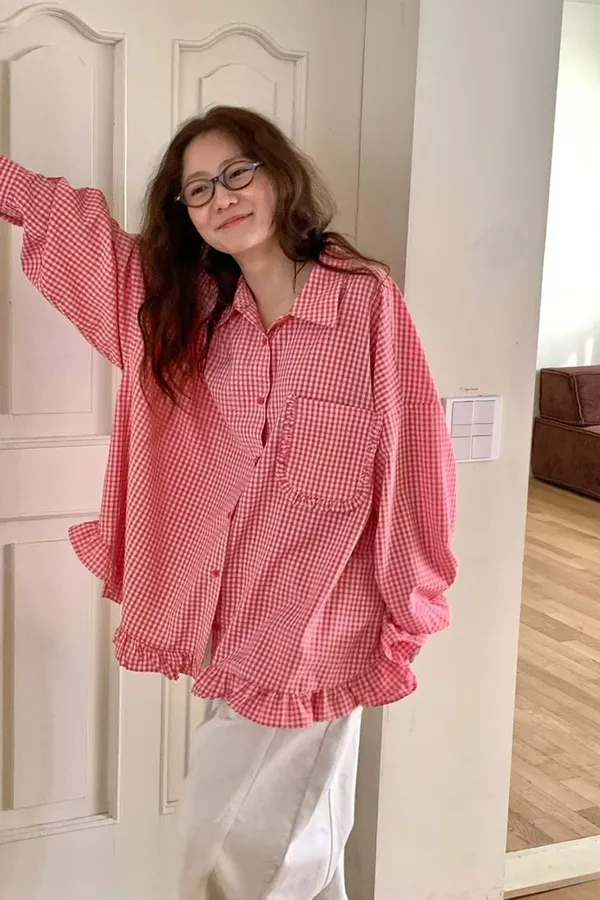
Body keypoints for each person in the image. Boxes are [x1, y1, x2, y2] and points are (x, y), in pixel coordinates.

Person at [0, 105, 457, 899]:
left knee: (238, 849)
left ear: (278, 175)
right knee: (299, 840)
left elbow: (415, 454)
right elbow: (76, 230)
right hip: (233, 619)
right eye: (199, 188)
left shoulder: (362, 301)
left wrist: (410, 601)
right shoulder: (188, 315)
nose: (223, 197)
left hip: (324, 619)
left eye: (238, 172)